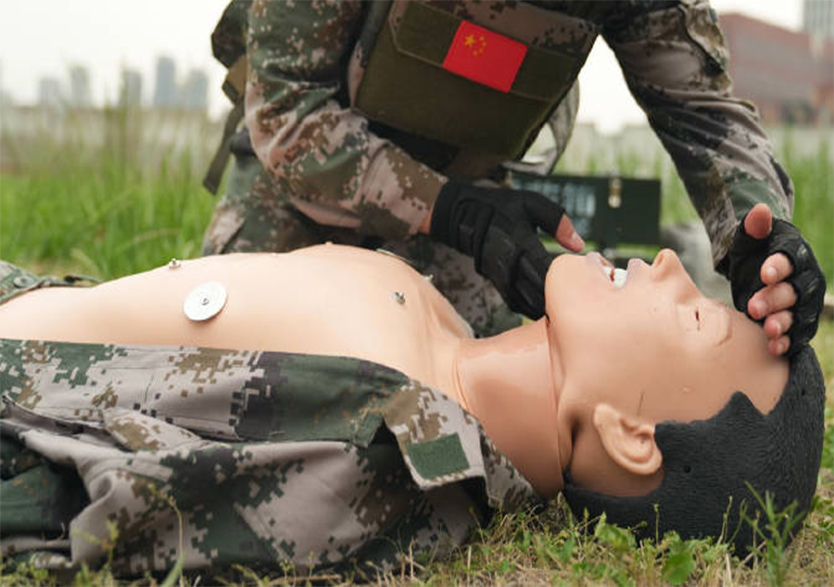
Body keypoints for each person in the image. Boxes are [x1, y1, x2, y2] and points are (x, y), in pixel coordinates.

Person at [0, 208, 825, 576]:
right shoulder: (449, 337)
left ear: (630, 435)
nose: (673, 264)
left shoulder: (392, 445)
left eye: (693, 315)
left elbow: (101, 505)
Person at [201, 0, 826, 350]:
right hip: (303, 179)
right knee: (226, 361)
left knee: (478, 389)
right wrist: (456, 211)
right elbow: (287, 110)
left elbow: (702, 112)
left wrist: (759, 234)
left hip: (467, 201)